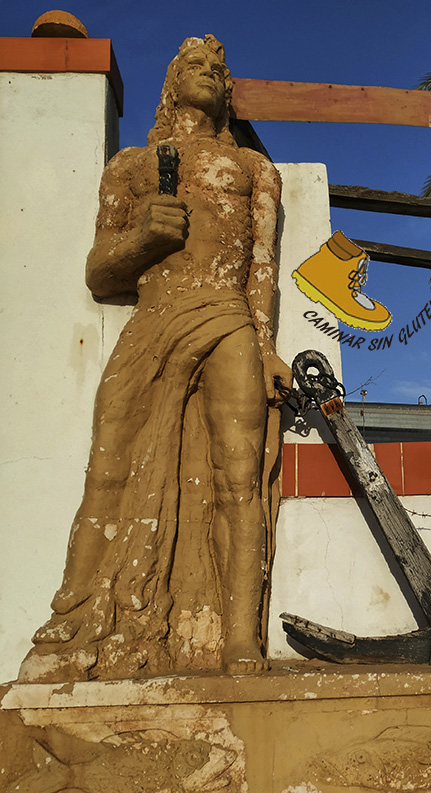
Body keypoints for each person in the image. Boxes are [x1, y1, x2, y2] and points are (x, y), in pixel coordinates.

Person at [20, 35, 292, 681]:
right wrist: (146, 236)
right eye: (194, 65)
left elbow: (261, 271)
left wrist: (266, 346)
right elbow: (99, 271)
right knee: (106, 472)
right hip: (153, 321)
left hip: (227, 318)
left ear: (228, 93)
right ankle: (71, 621)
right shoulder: (131, 168)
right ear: (171, 84)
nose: (209, 73)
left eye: (218, 69)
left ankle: (240, 640)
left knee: (239, 481)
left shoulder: (256, 170)